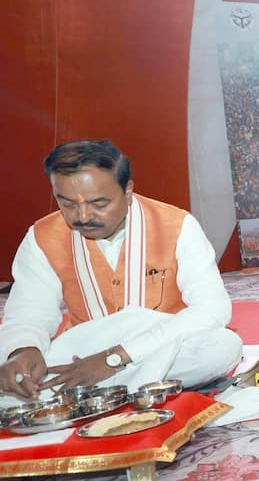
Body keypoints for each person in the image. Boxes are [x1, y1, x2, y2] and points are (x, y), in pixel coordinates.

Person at [0, 140, 241, 405]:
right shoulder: (42, 236)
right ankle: (127, 388)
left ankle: (86, 392)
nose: (83, 216)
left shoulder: (177, 225)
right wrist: (23, 350)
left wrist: (115, 359)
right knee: (12, 364)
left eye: (99, 203)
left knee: (223, 347)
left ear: (128, 191)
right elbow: (29, 312)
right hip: (82, 355)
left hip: (161, 346)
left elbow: (212, 309)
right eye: (67, 204)